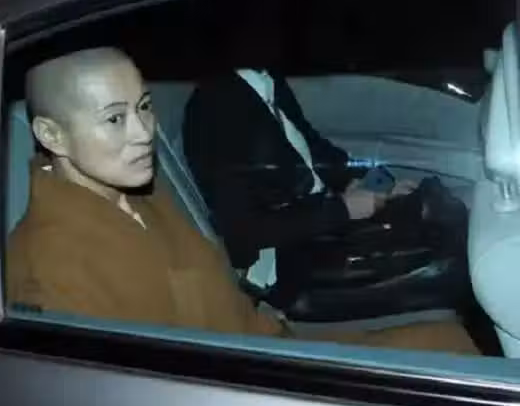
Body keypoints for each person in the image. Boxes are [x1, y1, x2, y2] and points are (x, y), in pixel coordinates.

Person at [6, 47, 479, 354]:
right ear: (51, 135)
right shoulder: (48, 270)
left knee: (449, 340)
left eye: (144, 108)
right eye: (115, 119)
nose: (144, 133)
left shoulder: (137, 197)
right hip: (244, 386)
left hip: (261, 344)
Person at [182, 67, 473, 321]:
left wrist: (365, 180)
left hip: (320, 220)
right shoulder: (215, 110)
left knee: (436, 206)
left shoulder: (264, 79)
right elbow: (243, 233)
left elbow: (308, 143)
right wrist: (343, 209)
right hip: (286, 266)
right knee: (453, 264)